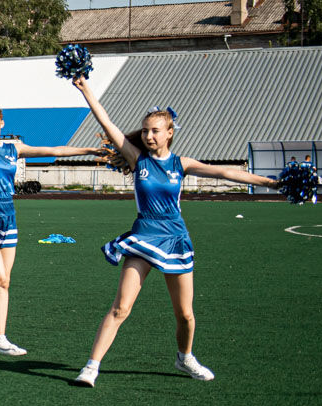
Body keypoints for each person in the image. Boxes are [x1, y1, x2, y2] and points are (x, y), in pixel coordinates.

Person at [70, 79, 280, 387]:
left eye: (155, 130)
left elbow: (227, 172)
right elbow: (105, 119)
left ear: (170, 133)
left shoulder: (182, 164)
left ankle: (185, 357)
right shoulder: (135, 158)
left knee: (185, 315)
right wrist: (85, 88)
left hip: (175, 238)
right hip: (143, 236)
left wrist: (273, 184)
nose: (148, 135)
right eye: (145, 130)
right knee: (120, 307)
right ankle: (91, 367)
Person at [0, 62, 106, 357]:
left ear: (2, 123)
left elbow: (53, 151)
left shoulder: (13, 148)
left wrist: (89, 151)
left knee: (5, 281)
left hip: (8, 214)